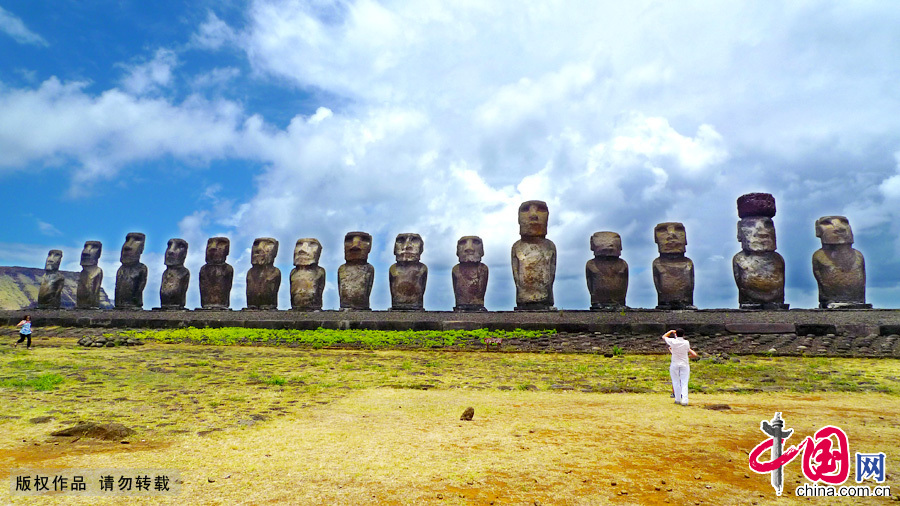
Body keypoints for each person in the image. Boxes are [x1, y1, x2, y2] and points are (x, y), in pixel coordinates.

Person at [662, 328, 697, 405]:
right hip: (684, 363)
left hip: (675, 363)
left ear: (676, 334)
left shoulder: (673, 342)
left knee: (676, 381)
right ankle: (685, 400)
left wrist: (671, 331)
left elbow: (664, 337)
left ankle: (677, 399)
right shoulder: (686, 342)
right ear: (683, 334)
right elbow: (689, 352)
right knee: (684, 382)